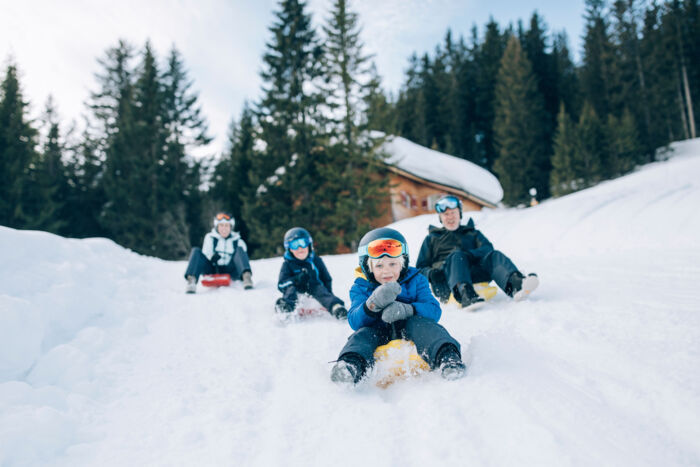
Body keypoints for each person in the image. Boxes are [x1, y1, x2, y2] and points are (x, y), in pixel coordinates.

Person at [330, 227, 467, 385]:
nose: (386, 271)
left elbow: (434, 310)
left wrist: (408, 310)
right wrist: (372, 305)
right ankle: (350, 365)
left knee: (427, 327)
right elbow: (354, 320)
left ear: (403, 263)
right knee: (362, 335)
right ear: (368, 268)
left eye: (393, 264)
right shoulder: (361, 287)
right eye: (379, 266)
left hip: (412, 328)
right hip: (377, 331)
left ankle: (447, 357)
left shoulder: (417, 280)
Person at [416, 195, 539, 310]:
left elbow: (487, 249)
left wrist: (470, 254)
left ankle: (516, 284)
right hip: (446, 281)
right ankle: (465, 294)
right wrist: (431, 273)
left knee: (493, 255)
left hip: (474, 273)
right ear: (441, 218)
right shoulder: (432, 239)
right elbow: (420, 267)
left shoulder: (472, 233)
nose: (450, 217)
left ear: (460, 214)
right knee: (457, 256)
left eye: (453, 213)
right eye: (446, 214)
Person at [275, 227, 348, 320]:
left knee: (319, 288)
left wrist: (329, 294)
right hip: (296, 291)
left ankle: (336, 307)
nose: (299, 248)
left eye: (302, 243)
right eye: (295, 245)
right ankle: (285, 308)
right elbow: (281, 284)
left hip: (314, 288)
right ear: (289, 249)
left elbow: (326, 278)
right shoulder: (287, 265)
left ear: (309, 245)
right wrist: (296, 280)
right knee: (291, 289)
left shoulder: (316, 261)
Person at [184, 212, 253, 293]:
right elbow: (206, 252)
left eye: (226, 226)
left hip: (231, 269)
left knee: (239, 249)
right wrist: (212, 257)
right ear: (217, 227)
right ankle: (191, 280)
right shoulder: (210, 237)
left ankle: (246, 277)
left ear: (231, 227)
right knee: (196, 251)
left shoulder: (237, 240)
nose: (224, 228)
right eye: (221, 225)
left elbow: (243, 255)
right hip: (213, 268)